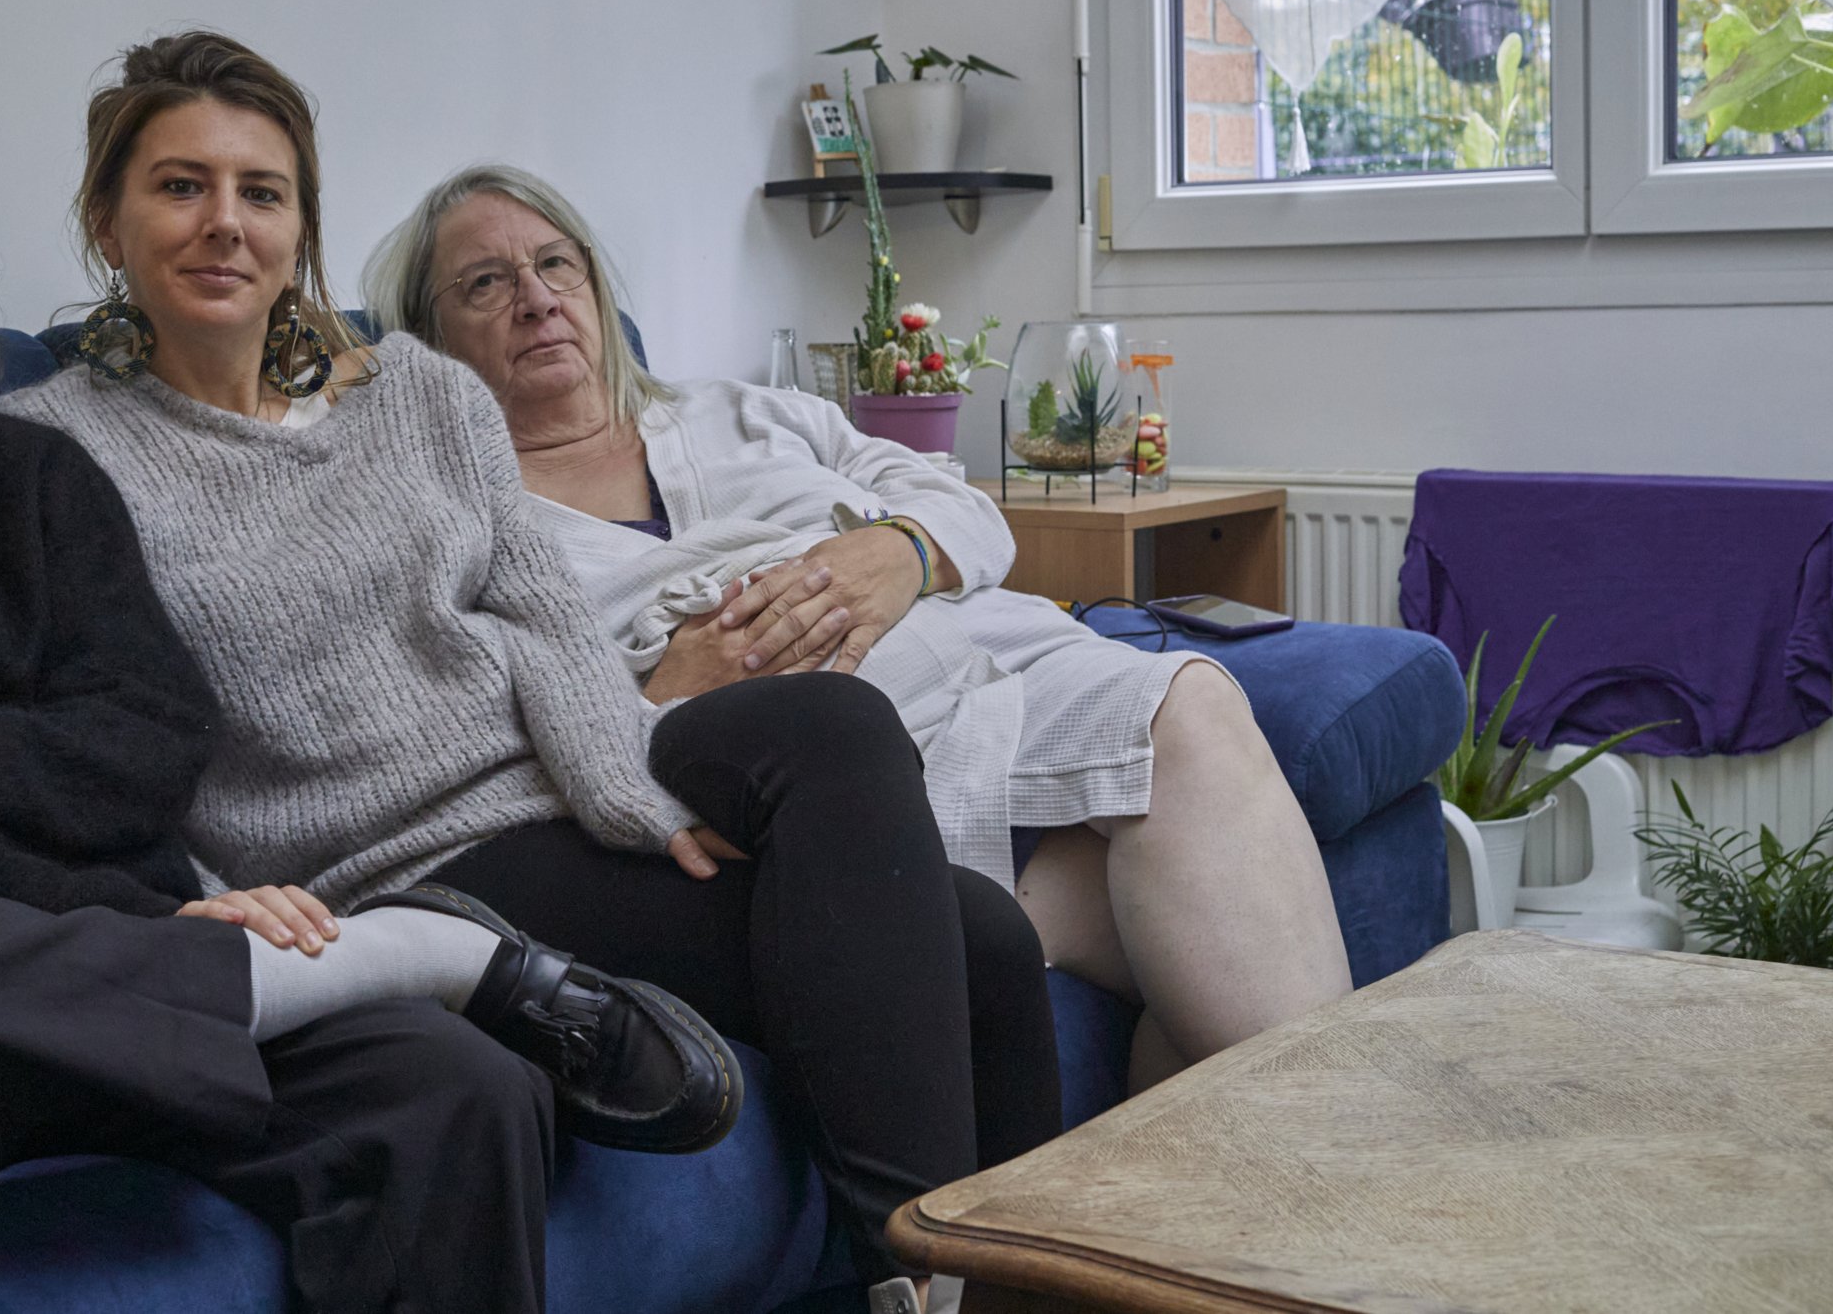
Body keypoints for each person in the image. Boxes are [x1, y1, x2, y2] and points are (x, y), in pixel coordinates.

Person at [0, 54, 737, 1314]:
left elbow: (153, 729)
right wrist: (144, 934)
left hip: (114, 1000)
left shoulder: (24, 477)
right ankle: (406, 955)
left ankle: (353, 982)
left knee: (455, 1084)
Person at [2, 31, 1057, 1314]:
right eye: (180, 186)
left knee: (837, 734)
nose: (225, 223)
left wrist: (626, 800)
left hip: (555, 789)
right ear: (106, 221)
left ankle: (969, 1293)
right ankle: (918, 1287)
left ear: (299, 229)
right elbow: (82, 728)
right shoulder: (48, 455)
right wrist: (215, 902)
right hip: (398, 869)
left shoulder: (418, 397)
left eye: (260, 192)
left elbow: (548, 622)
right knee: (981, 943)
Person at [366, 164, 1356, 1093]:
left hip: (997, 659)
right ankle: (1319, 1218)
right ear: (426, 344)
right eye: (485, 284)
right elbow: (465, 754)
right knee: (1199, 929)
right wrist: (655, 697)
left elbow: (959, 505)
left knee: (1191, 702)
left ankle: (1225, 1243)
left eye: (554, 265)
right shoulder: (449, 526)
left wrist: (901, 554)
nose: (536, 298)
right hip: (858, 768)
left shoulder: (741, 412)